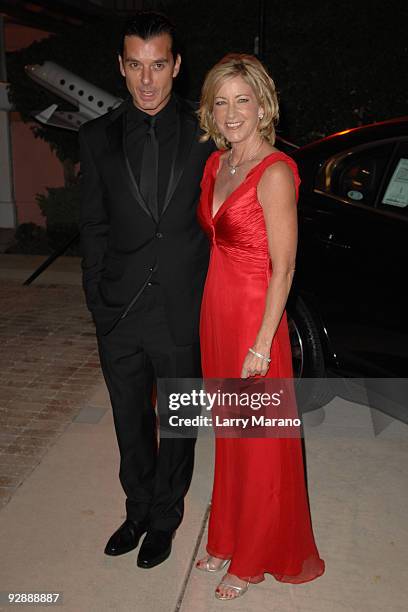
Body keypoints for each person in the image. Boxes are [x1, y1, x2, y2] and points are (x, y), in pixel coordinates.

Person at [78, 11, 214, 569]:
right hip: (121, 310)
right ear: (121, 67)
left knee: (178, 421)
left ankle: (166, 516)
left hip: (182, 308)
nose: (147, 80)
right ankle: (136, 509)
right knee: (127, 417)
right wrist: (97, 303)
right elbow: (93, 228)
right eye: (135, 66)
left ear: (177, 66)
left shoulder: (209, 132)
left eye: (158, 65)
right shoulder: (95, 137)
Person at [195, 54, 325, 600]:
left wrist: (260, 345)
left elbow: (285, 268)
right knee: (231, 436)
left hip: (255, 319)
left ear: (262, 105)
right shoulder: (216, 166)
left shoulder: (275, 172)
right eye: (221, 101)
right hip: (216, 310)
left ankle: (252, 558)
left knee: (261, 443)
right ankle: (226, 534)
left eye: (242, 100)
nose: (231, 112)